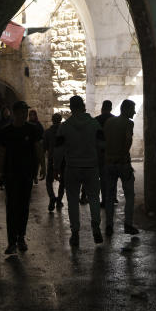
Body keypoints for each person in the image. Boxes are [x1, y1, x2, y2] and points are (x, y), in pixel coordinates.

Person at [54, 95, 104, 247]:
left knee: (73, 200)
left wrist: (56, 167)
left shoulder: (65, 126)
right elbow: (102, 146)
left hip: (73, 167)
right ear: (83, 106)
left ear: (70, 108)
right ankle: (96, 227)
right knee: (94, 198)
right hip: (91, 166)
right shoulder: (95, 124)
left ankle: (75, 232)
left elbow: (58, 150)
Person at [0, 101, 45, 255]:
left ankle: (21, 238)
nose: (24, 114)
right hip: (11, 174)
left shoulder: (32, 130)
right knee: (11, 208)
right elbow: (2, 153)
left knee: (24, 206)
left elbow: (38, 148)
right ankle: (12, 242)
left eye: (25, 112)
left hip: (26, 174)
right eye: (22, 112)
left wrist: (42, 165)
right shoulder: (6, 131)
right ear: (15, 113)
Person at [103, 99, 138, 236]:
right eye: (133, 109)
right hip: (122, 163)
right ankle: (128, 225)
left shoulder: (109, 122)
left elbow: (105, 141)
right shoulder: (129, 123)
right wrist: (123, 157)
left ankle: (109, 226)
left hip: (109, 163)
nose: (134, 112)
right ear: (126, 109)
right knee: (129, 195)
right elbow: (128, 141)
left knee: (110, 196)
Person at [43, 112, 66, 212]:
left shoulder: (47, 132)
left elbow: (44, 147)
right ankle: (59, 200)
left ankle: (52, 197)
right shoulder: (64, 131)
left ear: (52, 120)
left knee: (49, 181)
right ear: (60, 120)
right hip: (63, 158)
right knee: (63, 181)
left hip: (52, 158)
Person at [95, 100, 114, 207]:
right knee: (112, 176)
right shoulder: (115, 119)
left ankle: (104, 199)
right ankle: (113, 197)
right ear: (110, 108)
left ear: (102, 108)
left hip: (99, 151)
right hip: (112, 149)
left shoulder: (96, 120)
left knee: (102, 176)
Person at [0, 106, 12, 189]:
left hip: (10, 147)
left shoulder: (12, 122)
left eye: (7, 111)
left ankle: (7, 181)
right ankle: (1, 182)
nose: (6, 113)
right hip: (2, 147)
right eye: (5, 111)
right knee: (1, 165)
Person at [28, 109, 45, 185]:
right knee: (30, 162)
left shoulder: (38, 124)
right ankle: (31, 176)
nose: (32, 116)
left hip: (37, 146)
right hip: (30, 146)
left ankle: (34, 176)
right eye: (30, 115)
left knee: (36, 162)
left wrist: (41, 140)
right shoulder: (27, 124)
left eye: (33, 115)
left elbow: (42, 134)